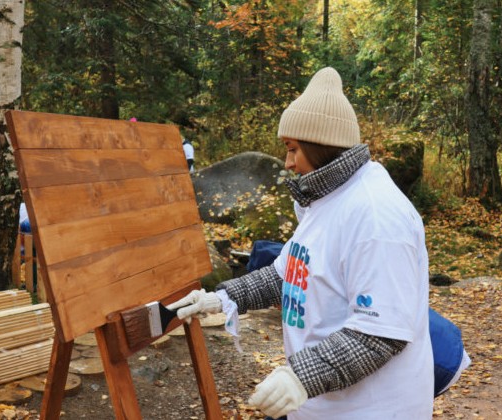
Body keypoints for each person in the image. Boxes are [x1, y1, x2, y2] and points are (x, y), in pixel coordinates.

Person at [168, 67, 434, 419]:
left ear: (320, 145)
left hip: (371, 409)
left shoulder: (376, 216)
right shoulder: (325, 200)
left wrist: (300, 377)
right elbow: (287, 274)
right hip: (322, 405)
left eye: (293, 149)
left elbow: (379, 334)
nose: (288, 163)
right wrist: (222, 298)